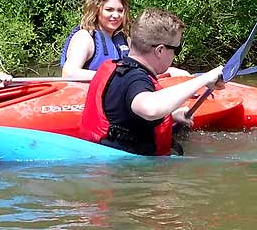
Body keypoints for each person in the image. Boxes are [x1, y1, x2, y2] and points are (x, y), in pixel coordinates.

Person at [79, 8, 224, 156]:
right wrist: (204, 79)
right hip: (126, 173)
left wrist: (171, 116)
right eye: (177, 49)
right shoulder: (137, 80)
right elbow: (150, 109)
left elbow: (124, 115)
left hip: (102, 164)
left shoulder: (118, 69)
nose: (175, 55)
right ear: (160, 51)